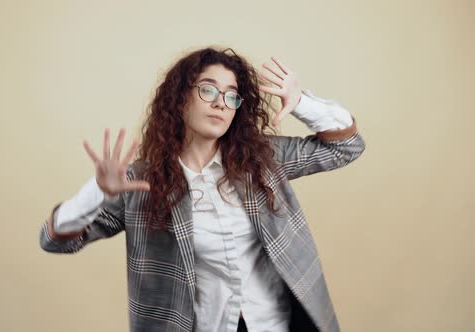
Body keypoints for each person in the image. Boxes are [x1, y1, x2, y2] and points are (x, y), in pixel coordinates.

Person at [39, 47, 365, 332]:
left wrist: (302, 103)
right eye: (208, 90)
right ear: (180, 97)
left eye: (231, 95)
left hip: (276, 324)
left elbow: (347, 147)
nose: (221, 103)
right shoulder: (139, 182)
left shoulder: (262, 159)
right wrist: (98, 191)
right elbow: (54, 242)